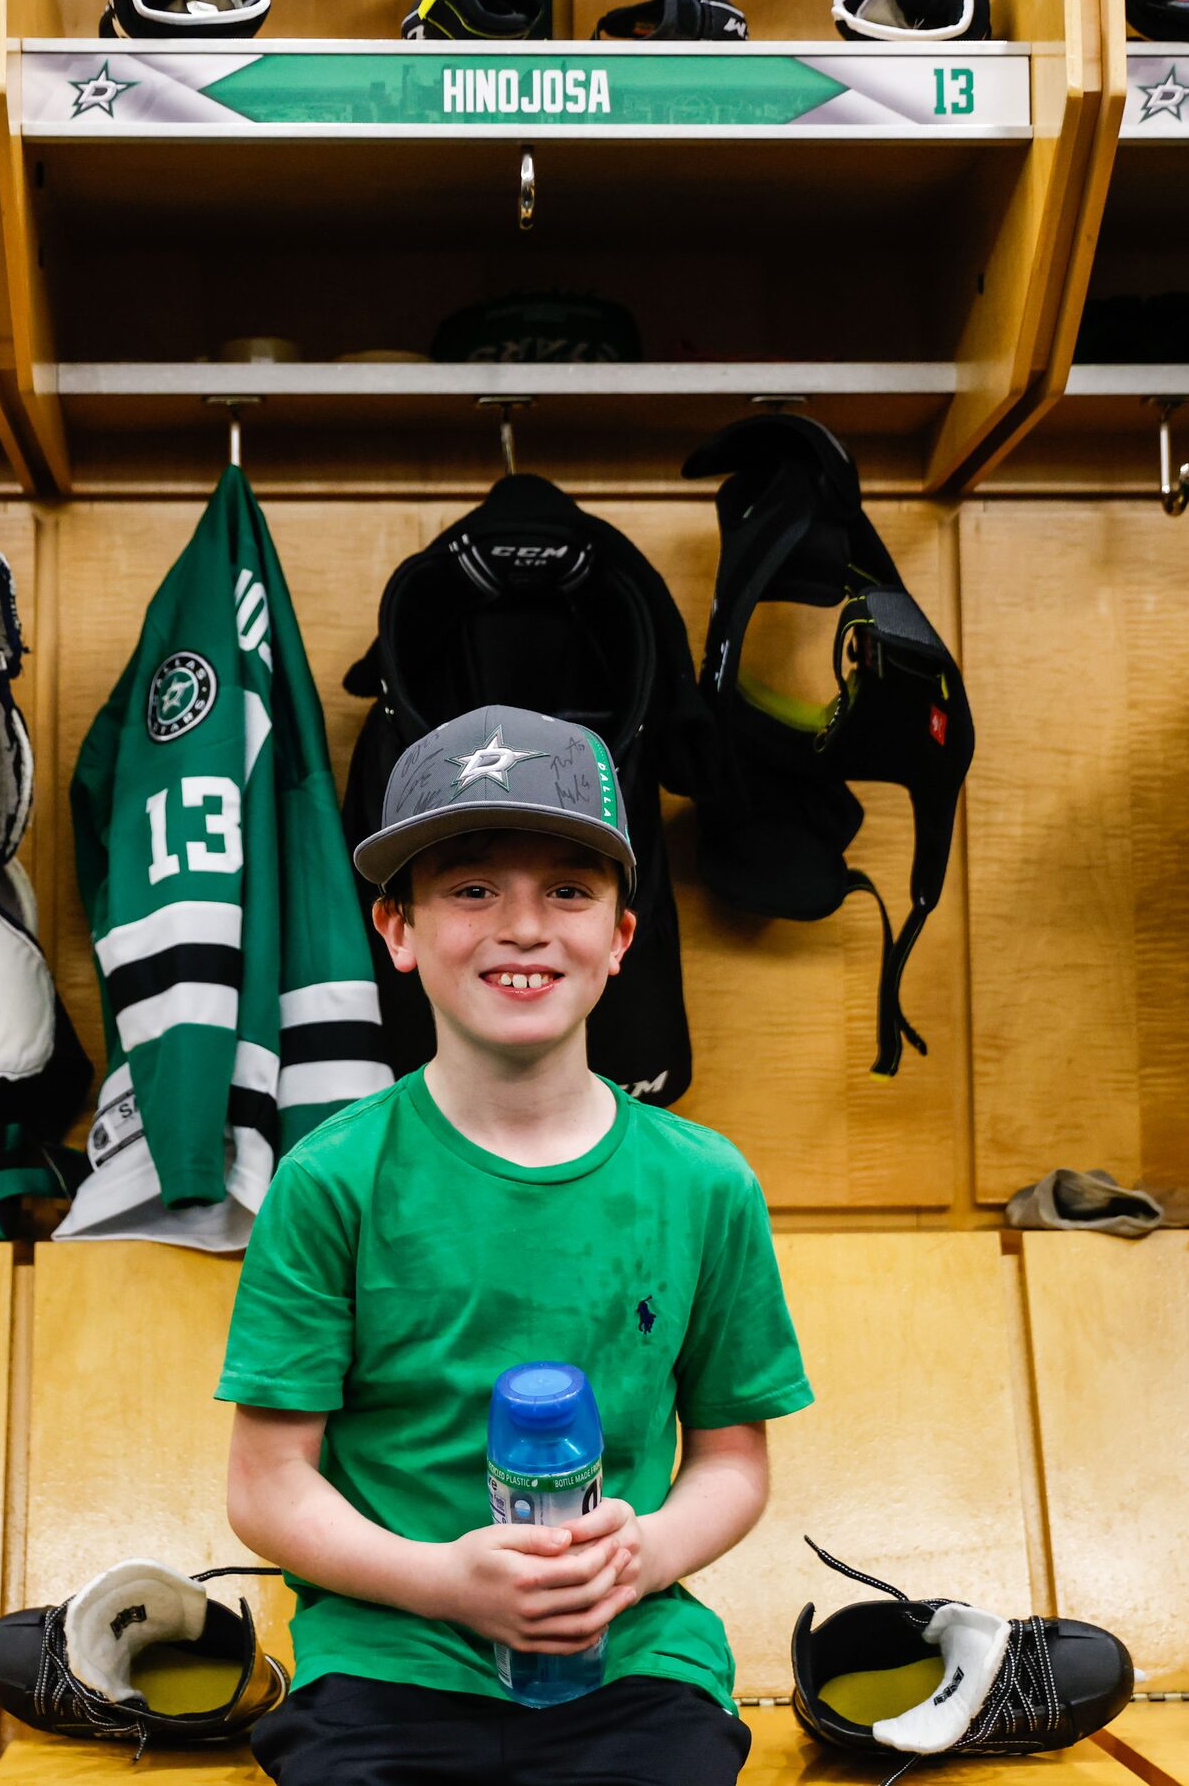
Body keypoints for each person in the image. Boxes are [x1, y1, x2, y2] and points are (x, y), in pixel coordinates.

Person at [219, 703, 813, 1785]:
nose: (525, 926)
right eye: (473, 888)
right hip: (388, 1662)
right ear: (397, 929)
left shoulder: (704, 1182)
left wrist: (640, 1561)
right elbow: (268, 1487)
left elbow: (732, 1460)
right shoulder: (329, 1180)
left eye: (570, 890)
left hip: (635, 1668)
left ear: (622, 936)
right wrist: (449, 1582)